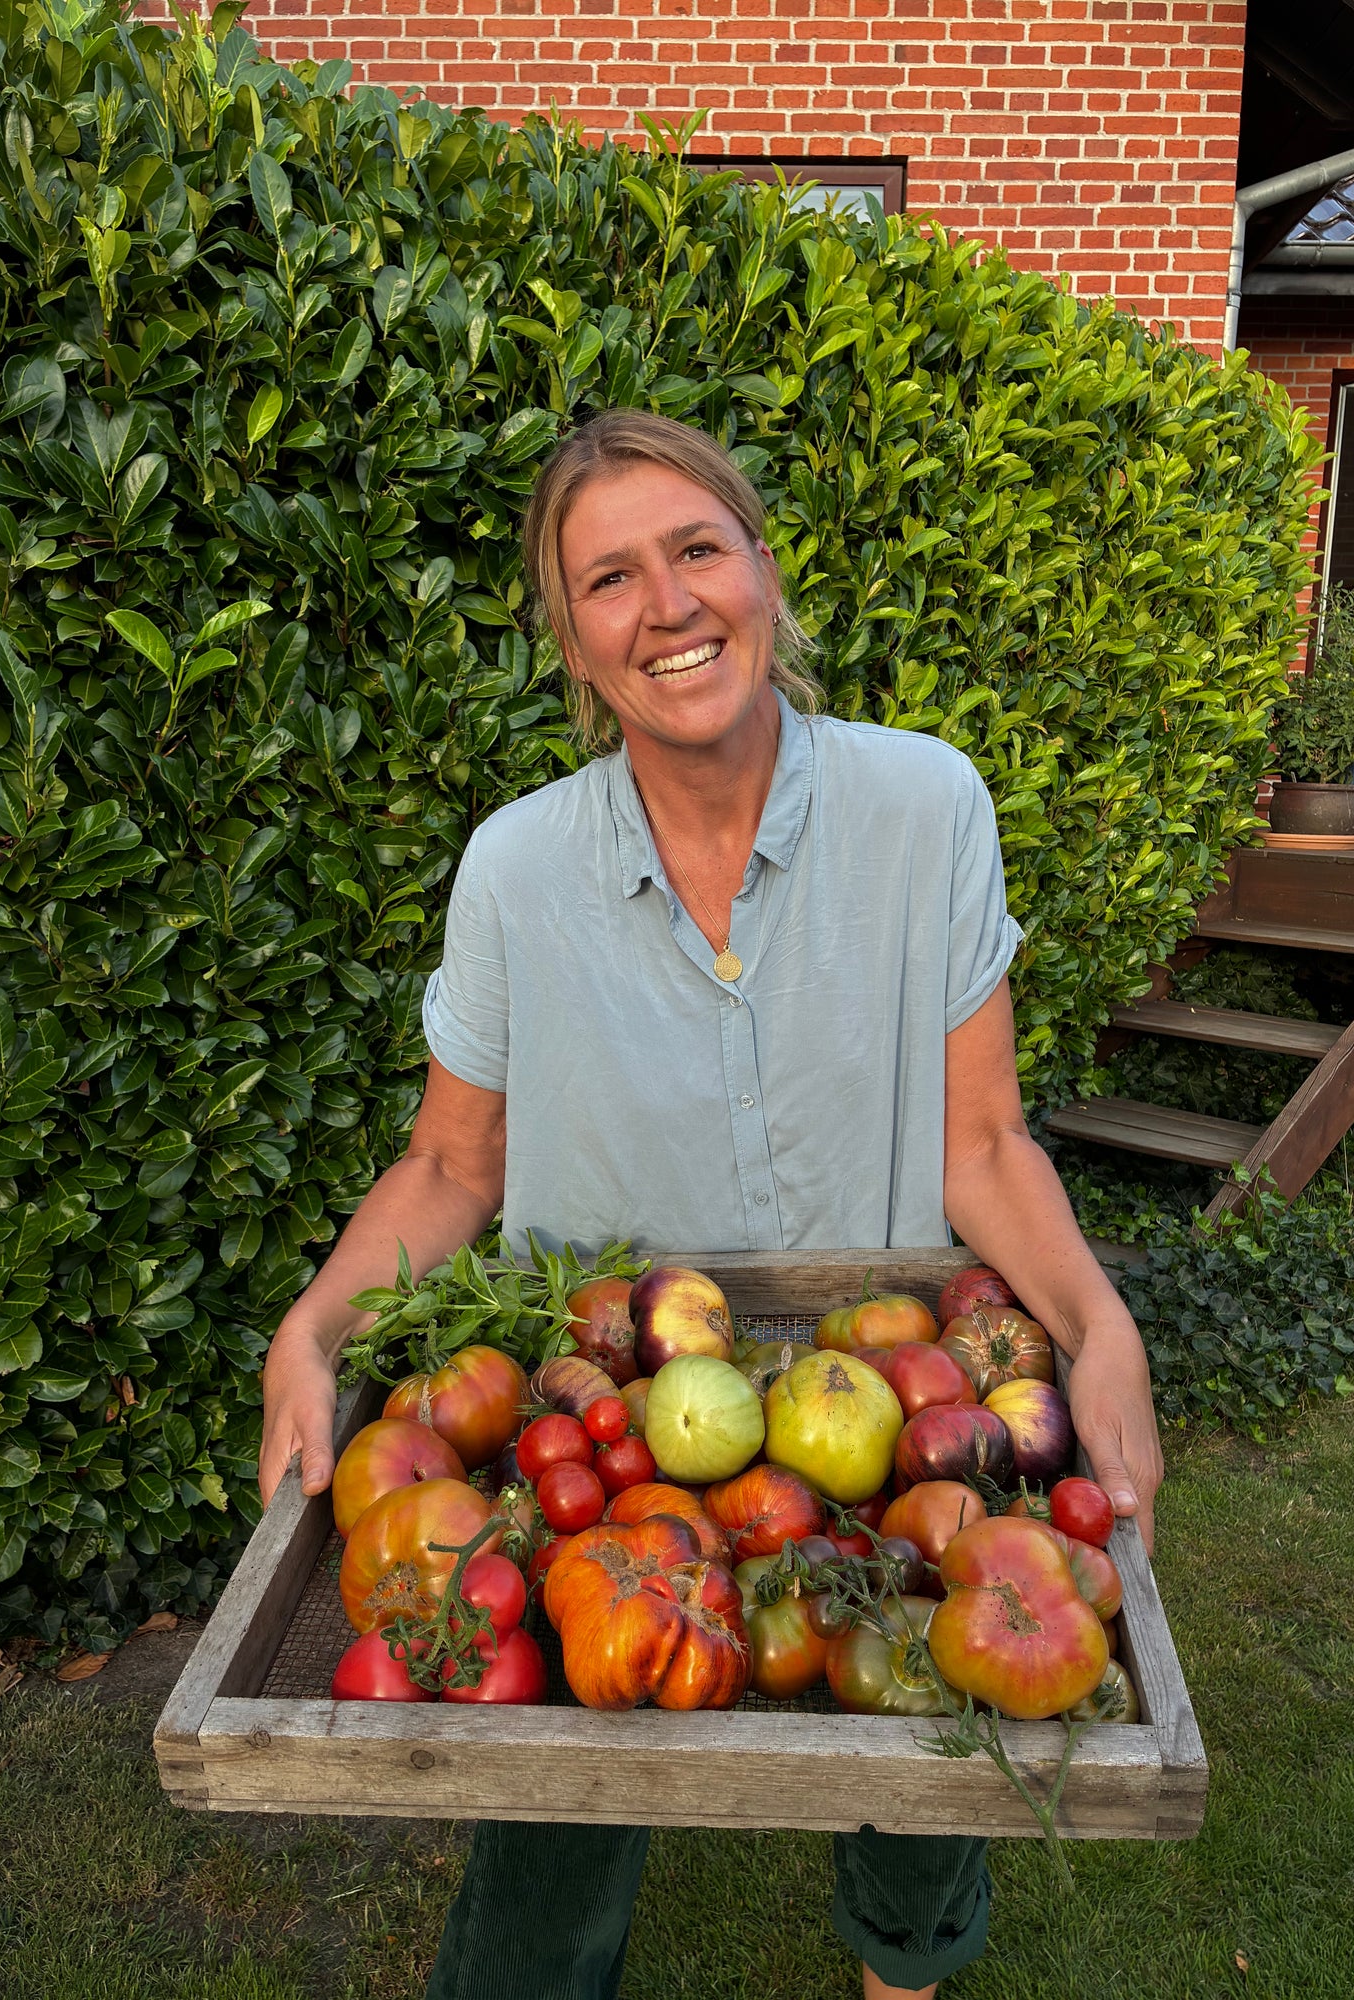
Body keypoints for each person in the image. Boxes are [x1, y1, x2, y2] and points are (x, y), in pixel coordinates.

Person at [259, 410, 1164, 2000]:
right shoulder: (515, 871)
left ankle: (904, 1970)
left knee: (928, 1736)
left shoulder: (925, 809)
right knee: (551, 1781)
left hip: (890, 1402)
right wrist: (313, 1325)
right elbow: (454, 1167)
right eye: (610, 577)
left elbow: (986, 1145)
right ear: (573, 639)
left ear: (760, 565)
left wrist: (1101, 1328)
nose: (666, 605)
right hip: (597, 1429)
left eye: (695, 549)